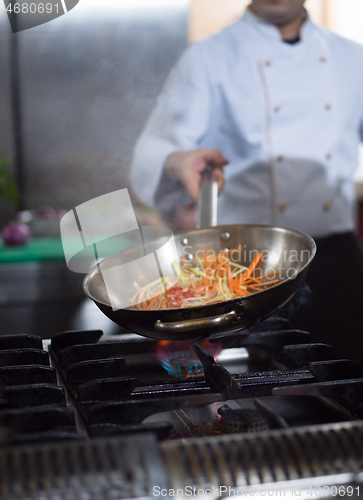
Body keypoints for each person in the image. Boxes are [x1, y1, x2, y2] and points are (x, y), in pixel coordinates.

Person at [130, 0, 363, 363]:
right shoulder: (208, 56)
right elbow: (153, 149)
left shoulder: (353, 57)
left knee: (348, 387)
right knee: (256, 397)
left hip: (338, 264)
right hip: (249, 271)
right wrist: (178, 159)